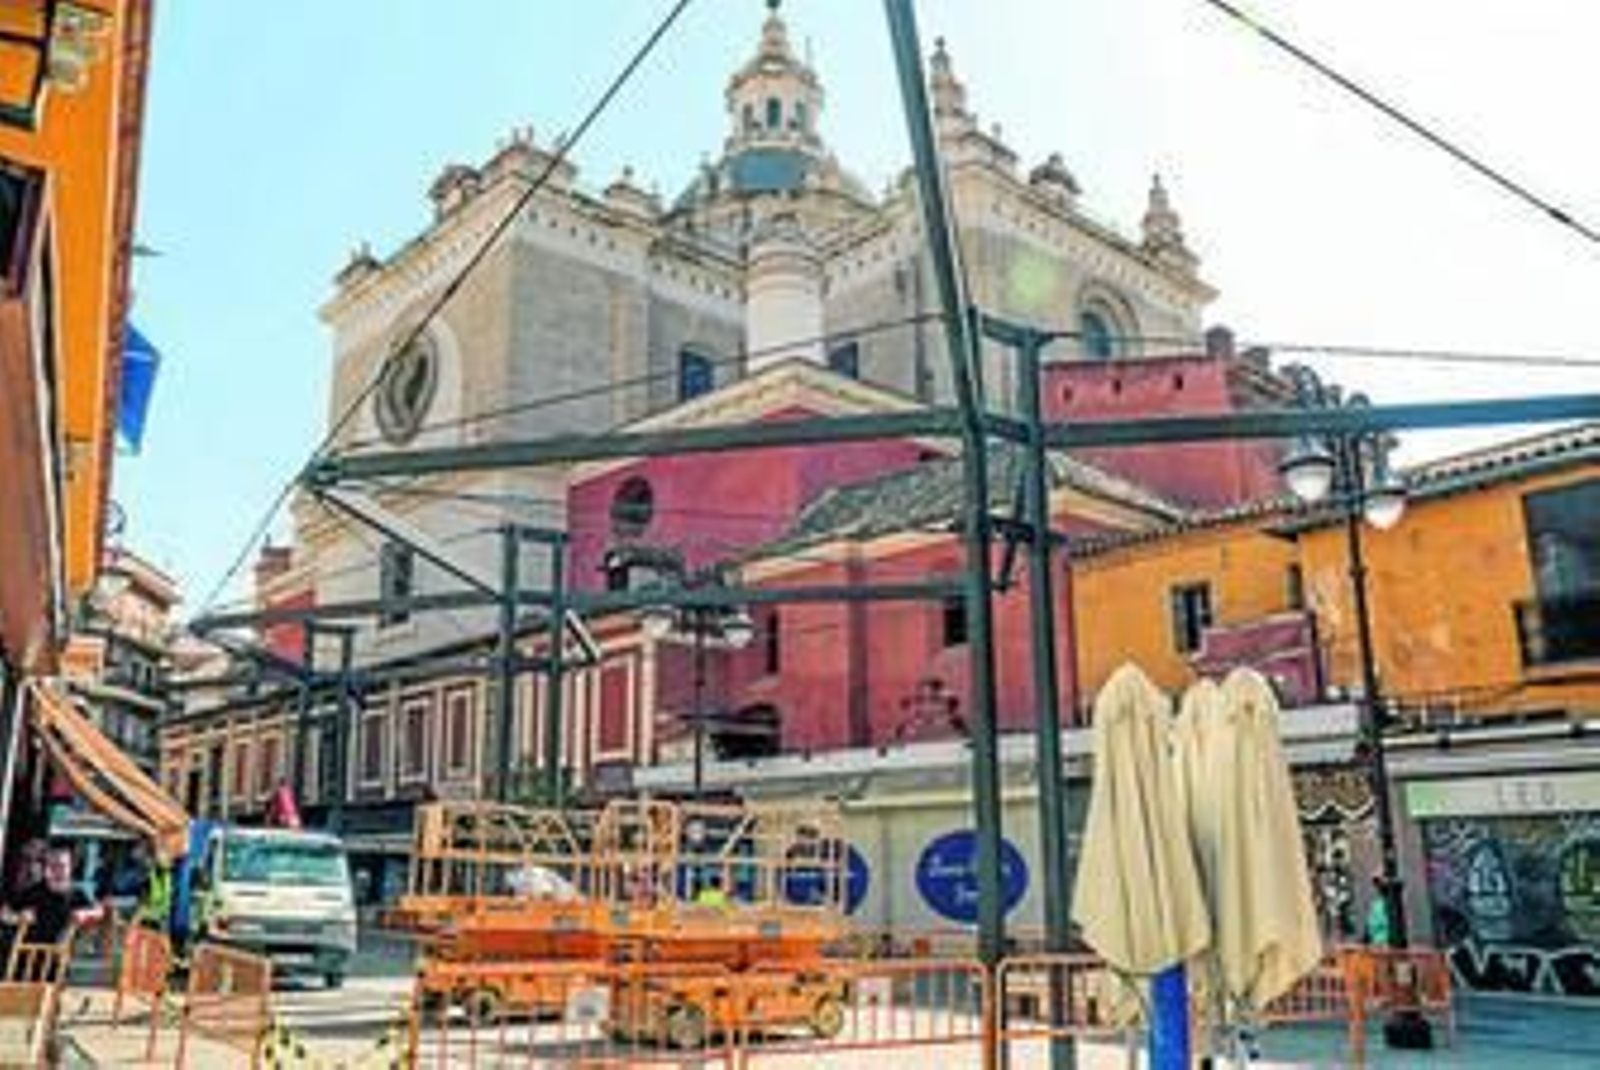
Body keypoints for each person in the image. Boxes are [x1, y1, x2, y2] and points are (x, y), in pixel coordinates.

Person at [3, 848, 103, 948]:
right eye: (53, 866)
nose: (57, 871)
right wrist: (18, 917)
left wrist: (85, 914)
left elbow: (99, 911)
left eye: (62, 866)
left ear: (70, 868)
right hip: (28, 952)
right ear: (46, 868)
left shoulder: (76, 894)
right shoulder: (33, 892)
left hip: (61, 953)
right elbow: (5, 913)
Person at [1365, 875, 1393, 947]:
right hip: (1375, 946)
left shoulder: (1394, 904)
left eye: (1381, 883)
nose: (1379, 887)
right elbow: (1369, 929)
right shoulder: (1376, 904)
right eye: (1377, 884)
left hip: (1389, 946)